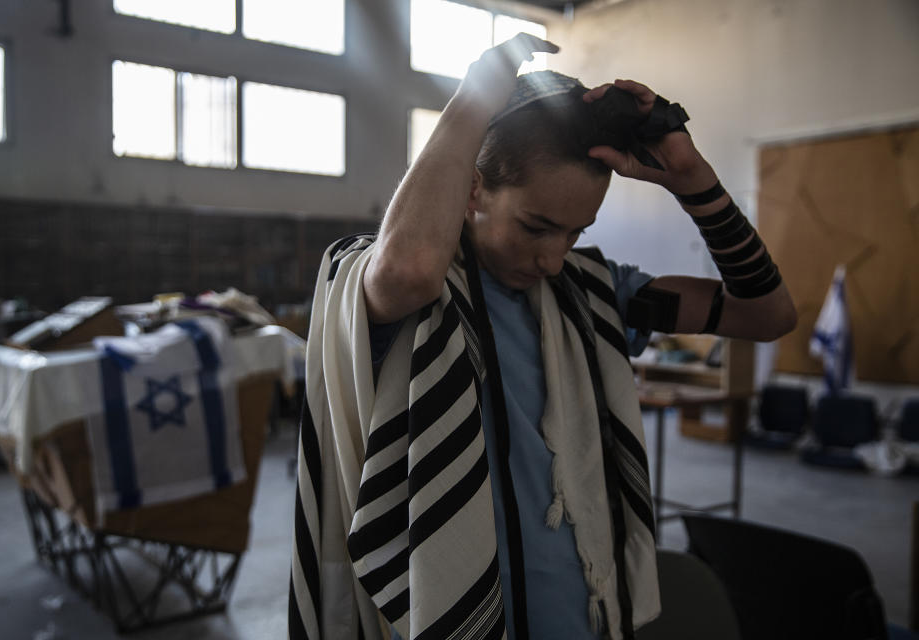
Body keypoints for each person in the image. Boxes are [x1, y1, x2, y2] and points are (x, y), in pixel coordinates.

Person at [289, 34, 796, 640]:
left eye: (575, 233)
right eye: (537, 227)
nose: (554, 259)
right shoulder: (385, 285)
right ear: (474, 188)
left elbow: (767, 314)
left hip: (574, 614)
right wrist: (475, 99)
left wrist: (695, 181)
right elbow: (410, 269)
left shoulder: (593, 295)